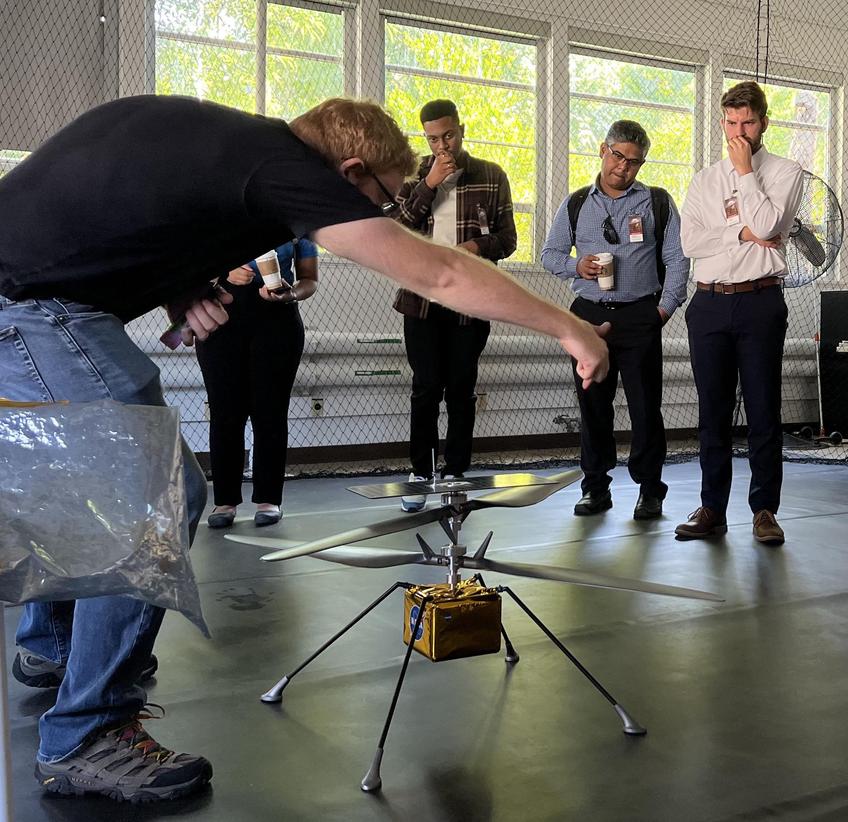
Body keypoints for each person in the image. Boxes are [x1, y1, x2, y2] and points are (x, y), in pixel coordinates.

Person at [0, 95, 608, 802]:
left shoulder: (226, 144)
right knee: (157, 488)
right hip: (31, 306)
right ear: (349, 170)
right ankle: (87, 732)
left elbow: (120, 203)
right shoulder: (282, 167)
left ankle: (50, 646)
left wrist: (178, 291)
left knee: (86, 479)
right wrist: (570, 328)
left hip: (30, 288)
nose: (381, 215)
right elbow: (437, 274)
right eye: (381, 200)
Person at [675, 81, 804, 545]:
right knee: (712, 411)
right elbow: (691, 242)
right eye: (731, 123)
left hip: (759, 300)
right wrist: (742, 234)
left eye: (747, 122)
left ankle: (765, 510)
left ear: (763, 122)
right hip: (708, 302)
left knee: (763, 407)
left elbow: (770, 224)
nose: (738, 131)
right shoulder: (704, 179)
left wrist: (746, 173)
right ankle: (713, 507)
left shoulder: (787, 172)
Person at [541, 120, 690, 519]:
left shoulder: (657, 202)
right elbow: (550, 254)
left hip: (642, 314)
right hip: (588, 318)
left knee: (645, 408)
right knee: (592, 406)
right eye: (618, 156)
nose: (624, 168)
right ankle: (595, 488)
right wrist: (578, 266)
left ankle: (650, 490)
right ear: (602, 150)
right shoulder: (576, 203)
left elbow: (677, 259)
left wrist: (664, 309)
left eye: (634, 162)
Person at [394, 99, 518, 513]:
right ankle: (420, 472)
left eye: (448, 135)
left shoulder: (490, 175)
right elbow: (397, 230)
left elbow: (508, 239)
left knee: (461, 388)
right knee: (426, 386)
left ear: (461, 130)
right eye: (432, 138)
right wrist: (429, 183)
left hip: (470, 297)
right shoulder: (413, 177)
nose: (442, 145)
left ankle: (455, 472)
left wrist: (475, 246)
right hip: (422, 300)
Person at [199, 238, 319, 528]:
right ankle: (225, 501)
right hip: (223, 318)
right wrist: (225, 273)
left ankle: (269, 499)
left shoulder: (295, 223)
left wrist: (290, 294)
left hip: (277, 320)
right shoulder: (221, 216)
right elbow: (190, 267)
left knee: (270, 412)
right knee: (226, 412)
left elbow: (309, 280)